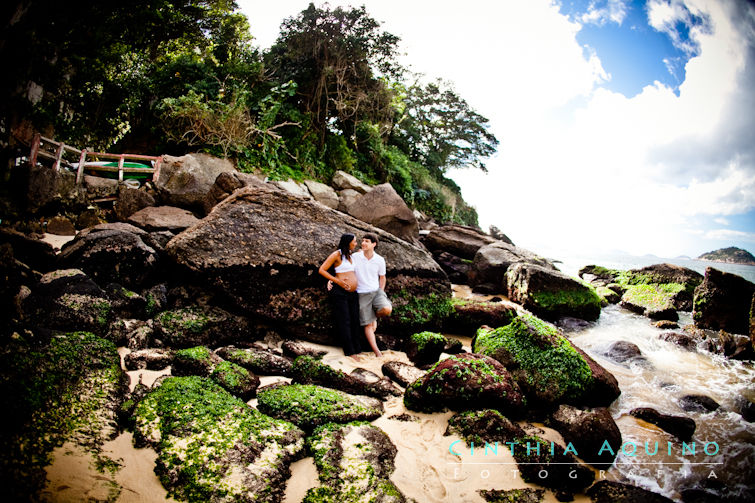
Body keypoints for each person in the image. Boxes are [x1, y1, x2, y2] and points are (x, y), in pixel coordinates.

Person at [318, 233, 364, 359]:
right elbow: (322, 270)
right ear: (347, 242)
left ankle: (358, 349)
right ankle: (350, 352)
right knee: (345, 321)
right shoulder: (336, 255)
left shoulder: (352, 256)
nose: (356, 244)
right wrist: (336, 281)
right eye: (354, 241)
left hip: (353, 293)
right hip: (340, 292)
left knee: (355, 320)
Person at [353, 233, 392, 357]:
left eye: (367, 241)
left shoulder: (379, 260)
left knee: (387, 309)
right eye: (363, 241)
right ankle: (377, 353)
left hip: (376, 291)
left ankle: (374, 316)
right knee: (368, 325)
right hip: (361, 294)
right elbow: (343, 267)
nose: (363, 243)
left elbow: (382, 278)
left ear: (374, 244)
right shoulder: (355, 256)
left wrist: (381, 291)